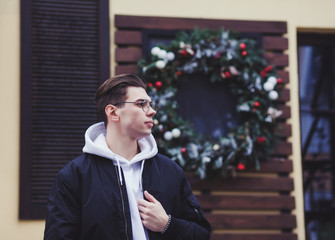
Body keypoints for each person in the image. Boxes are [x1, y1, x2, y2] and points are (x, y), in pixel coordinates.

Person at [44, 74, 211, 240]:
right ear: (113, 112)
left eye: (150, 105)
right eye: (141, 104)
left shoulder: (170, 171)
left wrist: (167, 224)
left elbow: (202, 234)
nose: (152, 111)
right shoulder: (74, 176)